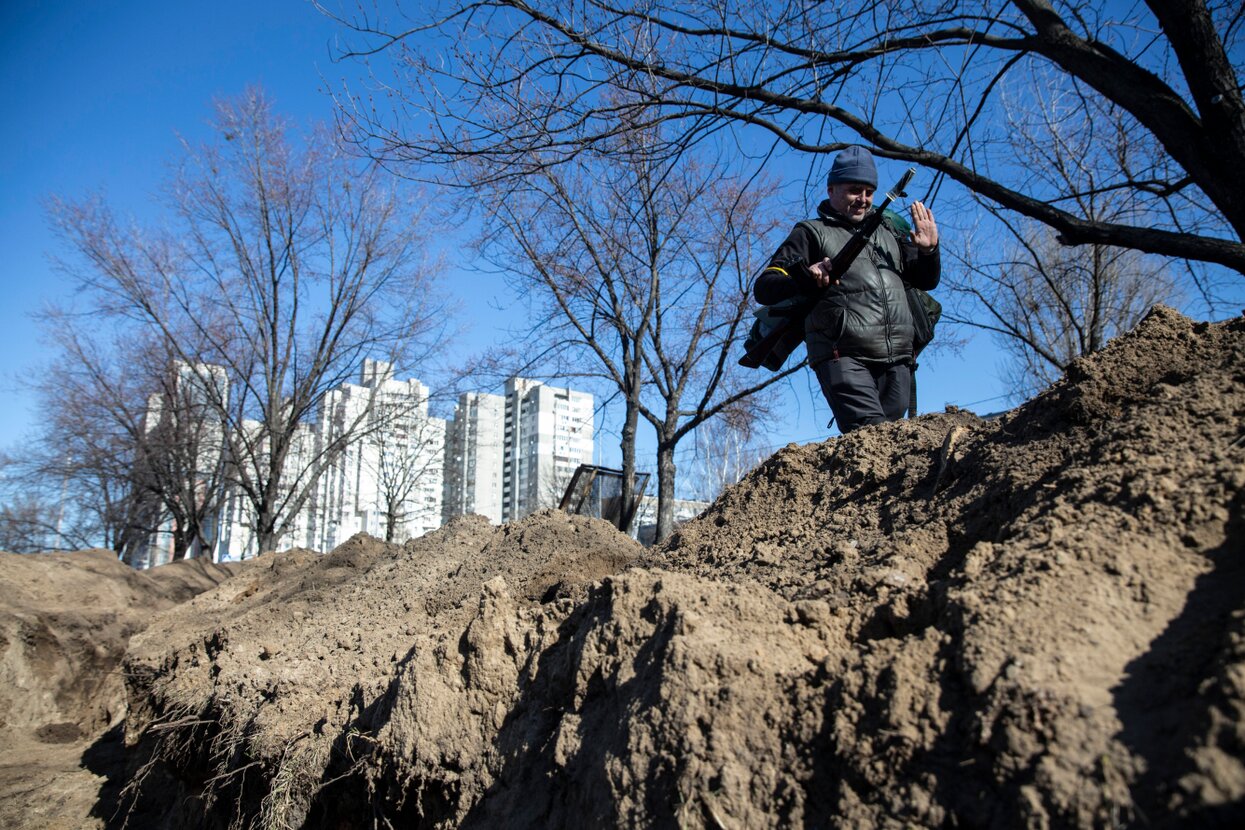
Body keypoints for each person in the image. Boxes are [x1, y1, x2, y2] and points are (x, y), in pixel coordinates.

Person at [755, 146, 940, 432]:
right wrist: (806, 276)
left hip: (899, 358)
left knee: (890, 441)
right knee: (870, 434)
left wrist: (929, 252)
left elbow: (925, 280)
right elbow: (765, 288)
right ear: (831, 189)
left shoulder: (889, 230)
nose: (863, 200)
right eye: (855, 190)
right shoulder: (810, 232)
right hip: (843, 356)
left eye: (869, 192)